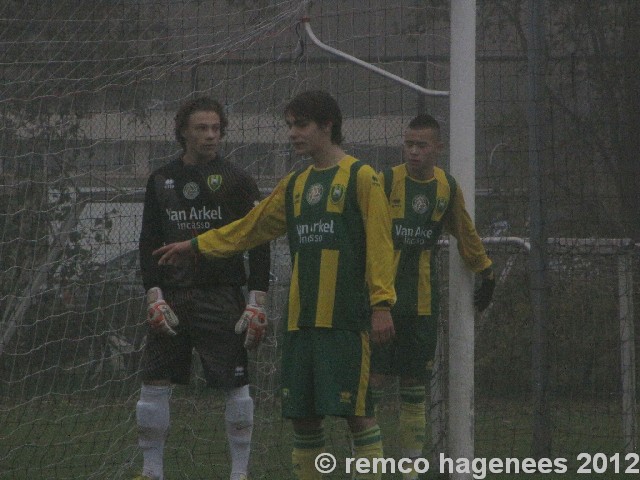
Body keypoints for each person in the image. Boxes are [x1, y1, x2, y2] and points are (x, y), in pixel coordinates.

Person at [153, 90, 397, 480]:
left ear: (327, 126)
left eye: (300, 125)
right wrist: (196, 245)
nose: (292, 134)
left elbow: (381, 245)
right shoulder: (295, 183)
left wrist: (382, 303)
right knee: (303, 419)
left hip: (345, 321)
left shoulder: (362, 177)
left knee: (358, 415)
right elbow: (249, 229)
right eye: (289, 126)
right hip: (300, 322)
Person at [134, 96, 271, 480]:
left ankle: (239, 473)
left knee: (236, 384)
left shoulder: (238, 180)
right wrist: (153, 294)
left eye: (215, 128)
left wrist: (257, 298)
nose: (211, 136)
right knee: (154, 382)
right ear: (183, 132)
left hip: (222, 295)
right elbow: (148, 242)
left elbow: (259, 238)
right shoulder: (161, 180)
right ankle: (151, 471)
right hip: (173, 298)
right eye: (201, 128)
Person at [370, 113, 495, 480]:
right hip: (381, 302)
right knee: (373, 385)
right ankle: (370, 468)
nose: (413, 152)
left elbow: (464, 231)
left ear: (438, 148)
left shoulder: (446, 187)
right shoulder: (386, 180)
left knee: (413, 389)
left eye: (421, 145)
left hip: (422, 305)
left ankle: (410, 472)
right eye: (408, 144)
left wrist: (485, 269)